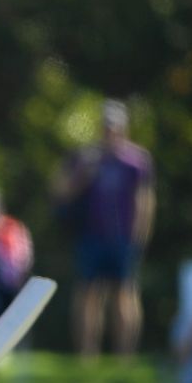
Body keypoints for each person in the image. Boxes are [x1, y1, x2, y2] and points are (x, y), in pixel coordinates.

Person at [54, 99, 155, 356]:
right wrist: (83, 176)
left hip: (123, 237)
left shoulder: (136, 162)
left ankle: (124, 355)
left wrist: (139, 237)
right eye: (106, 127)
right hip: (91, 235)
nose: (111, 132)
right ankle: (87, 354)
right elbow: (62, 192)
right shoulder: (85, 158)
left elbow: (144, 201)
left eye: (115, 127)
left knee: (125, 294)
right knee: (88, 295)